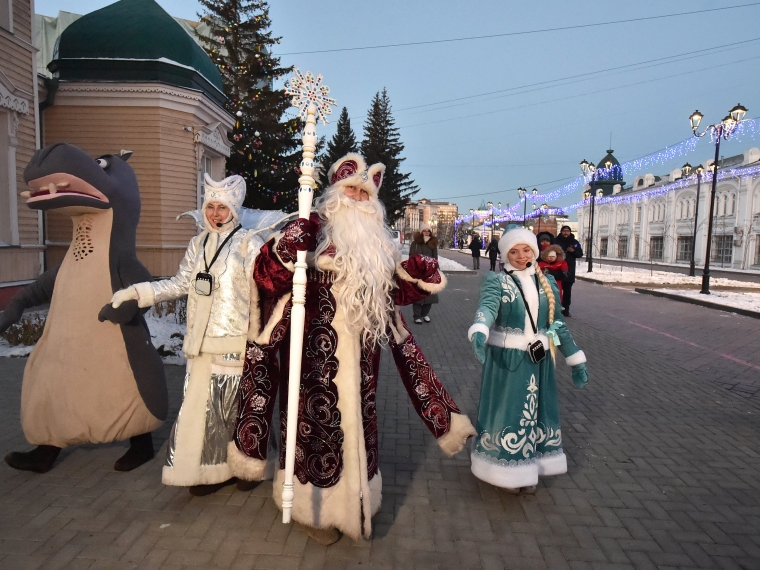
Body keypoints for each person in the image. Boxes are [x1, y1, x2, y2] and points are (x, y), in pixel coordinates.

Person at [228, 153, 475, 545]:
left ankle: (359, 498)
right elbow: (264, 277)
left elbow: (397, 292)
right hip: (311, 360)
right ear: (335, 193)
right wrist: (291, 247)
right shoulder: (308, 230)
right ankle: (317, 510)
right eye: (352, 190)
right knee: (314, 430)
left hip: (363, 360)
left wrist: (421, 275)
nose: (359, 198)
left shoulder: (378, 247)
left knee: (361, 425)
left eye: (365, 192)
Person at [109, 174, 263, 496]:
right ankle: (210, 470)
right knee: (204, 413)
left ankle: (246, 464)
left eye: (223, 207)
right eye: (211, 207)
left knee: (235, 408)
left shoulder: (249, 241)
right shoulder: (198, 244)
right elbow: (179, 284)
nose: (216, 214)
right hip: (199, 343)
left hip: (235, 341)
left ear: (234, 209)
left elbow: (263, 288)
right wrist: (139, 292)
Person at [467, 226, 588, 493]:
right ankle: (506, 472)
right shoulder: (497, 281)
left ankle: (530, 468)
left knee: (536, 412)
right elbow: (487, 307)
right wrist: (479, 329)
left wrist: (574, 357)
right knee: (508, 413)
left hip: (539, 361)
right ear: (505, 254)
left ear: (534, 251)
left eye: (526, 250)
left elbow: (557, 325)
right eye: (514, 251)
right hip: (507, 360)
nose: (521, 256)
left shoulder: (545, 283)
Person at [409, 223, 439, 323]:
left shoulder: (433, 243)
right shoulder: (415, 243)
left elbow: (435, 258)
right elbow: (411, 257)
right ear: (421, 232)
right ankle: (417, 316)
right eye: (424, 230)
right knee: (418, 294)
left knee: (429, 294)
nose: (426, 232)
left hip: (429, 272)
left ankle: (425, 314)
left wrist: (434, 268)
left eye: (428, 231)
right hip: (418, 272)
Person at [553, 226, 583, 317]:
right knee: (556, 290)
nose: (566, 233)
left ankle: (566, 309)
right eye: (564, 231)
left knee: (567, 292)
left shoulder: (574, 242)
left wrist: (573, 251)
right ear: (561, 232)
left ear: (570, 232)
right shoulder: (556, 241)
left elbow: (580, 254)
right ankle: (554, 309)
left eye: (567, 231)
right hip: (557, 270)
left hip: (569, 271)